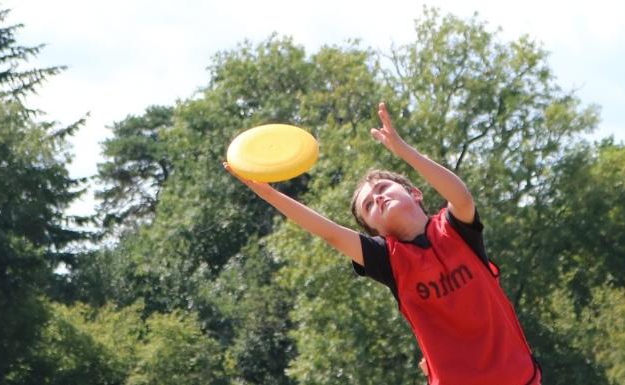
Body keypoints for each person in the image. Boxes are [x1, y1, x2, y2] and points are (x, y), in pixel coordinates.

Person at [226, 102, 540, 385]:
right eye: (368, 206)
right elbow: (328, 232)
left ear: (415, 193)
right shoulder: (387, 259)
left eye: (384, 187)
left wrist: (404, 150)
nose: (378, 196)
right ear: (374, 229)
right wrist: (269, 194)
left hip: (519, 379)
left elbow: (461, 196)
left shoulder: (456, 229)